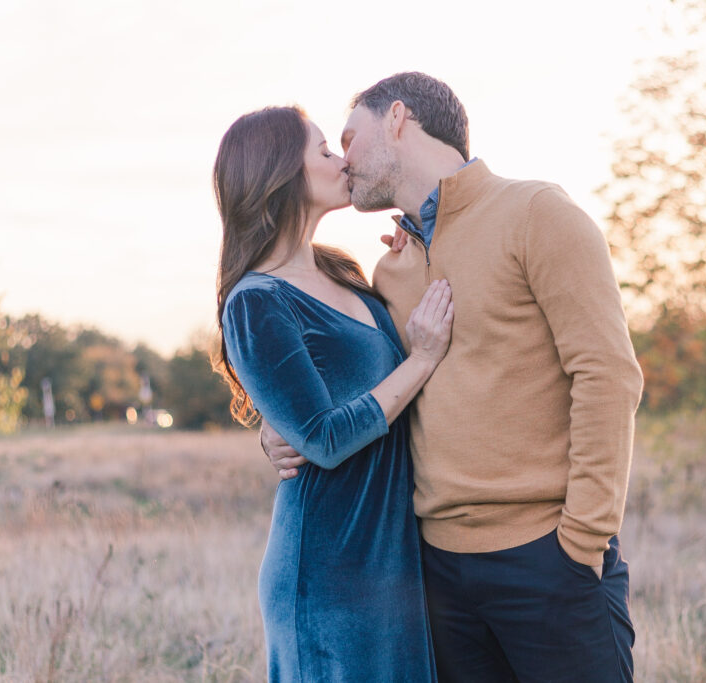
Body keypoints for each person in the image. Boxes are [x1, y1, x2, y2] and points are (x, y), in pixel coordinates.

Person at [263, 72, 645, 682]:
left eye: (349, 138)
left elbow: (607, 376)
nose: (344, 160)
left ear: (397, 118)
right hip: (435, 572)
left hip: (547, 558)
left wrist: (582, 540)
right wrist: (278, 426)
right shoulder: (389, 270)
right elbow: (359, 387)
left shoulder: (536, 213)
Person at [212, 105, 454, 682]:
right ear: (280, 175)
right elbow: (321, 437)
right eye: (323, 150)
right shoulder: (256, 301)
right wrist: (421, 359)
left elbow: (358, 385)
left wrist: (415, 255)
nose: (342, 160)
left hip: (391, 563)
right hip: (329, 572)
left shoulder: (342, 271)